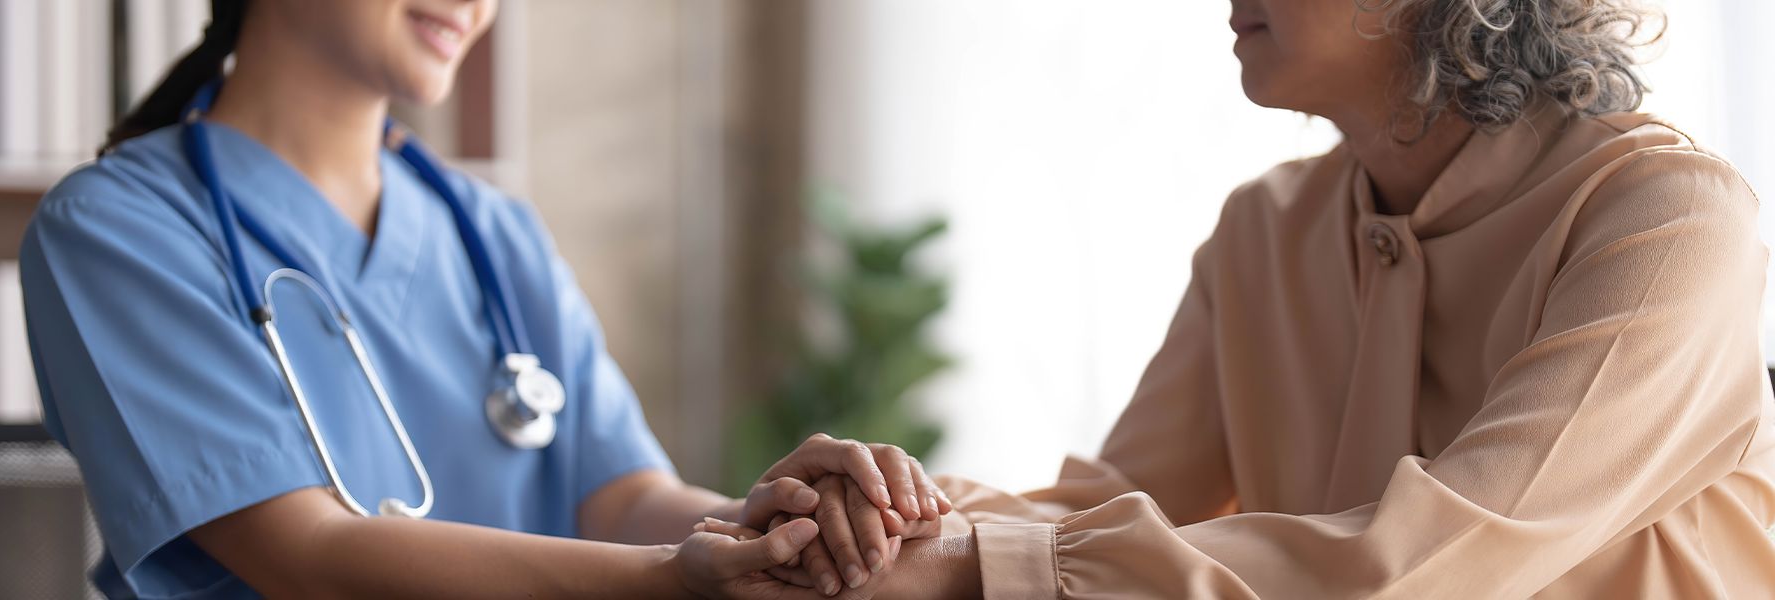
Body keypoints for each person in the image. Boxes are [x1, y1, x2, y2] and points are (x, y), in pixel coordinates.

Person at [719, 0, 1775, 597]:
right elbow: (1103, 504)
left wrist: (963, 573)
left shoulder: (1665, 219)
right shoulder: (1261, 231)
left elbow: (1432, 564)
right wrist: (886, 513)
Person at [20, 0, 947, 597]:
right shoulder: (117, 230)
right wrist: (676, 579)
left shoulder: (490, 233)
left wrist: (774, 523)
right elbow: (312, 559)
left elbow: (621, 497)